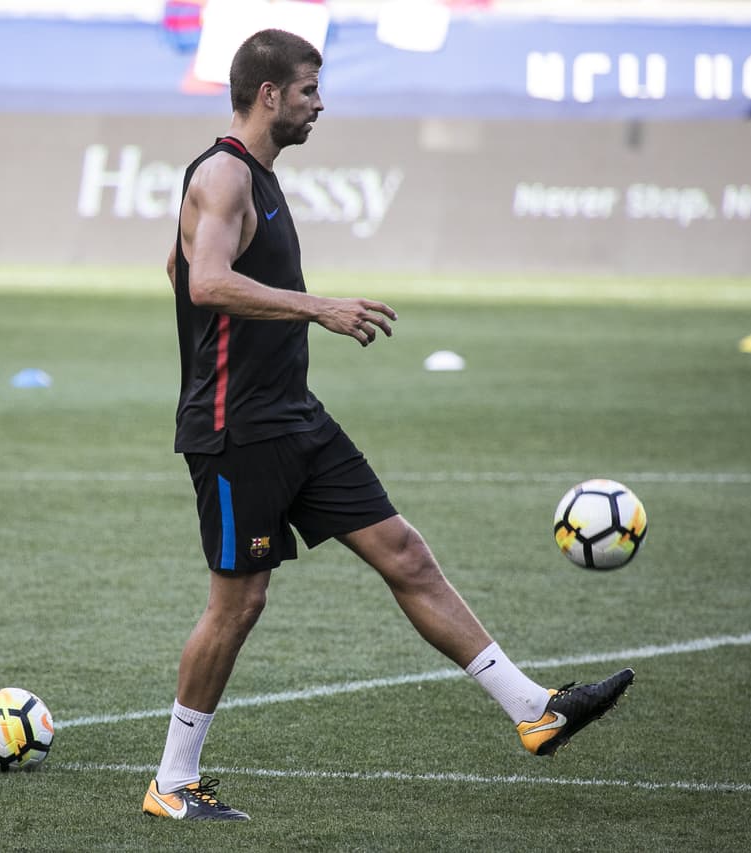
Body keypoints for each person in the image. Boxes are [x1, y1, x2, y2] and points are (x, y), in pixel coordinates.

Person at [142, 29, 634, 822]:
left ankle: (534, 709)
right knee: (238, 602)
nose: (319, 102)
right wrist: (318, 307)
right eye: (308, 89)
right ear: (270, 94)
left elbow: (177, 265)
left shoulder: (253, 175)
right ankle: (171, 781)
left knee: (404, 550)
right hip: (236, 429)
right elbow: (202, 280)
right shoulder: (226, 171)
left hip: (295, 417)